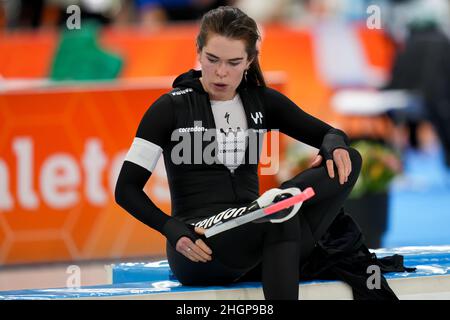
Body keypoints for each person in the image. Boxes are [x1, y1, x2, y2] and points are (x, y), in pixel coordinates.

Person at [115, 6, 388, 300]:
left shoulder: (262, 101)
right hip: (200, 247)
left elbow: (331, 134)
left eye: (234, 62)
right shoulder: (169, 108)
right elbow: (126, 189)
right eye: (212, 60)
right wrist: (172, 229)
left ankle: (280, 202)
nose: (221, 72)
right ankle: (278, 205)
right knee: (279, 218)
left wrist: (333, 145)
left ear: (250, 60)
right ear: (198, 51)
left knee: (350, 161)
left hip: (257, 232)